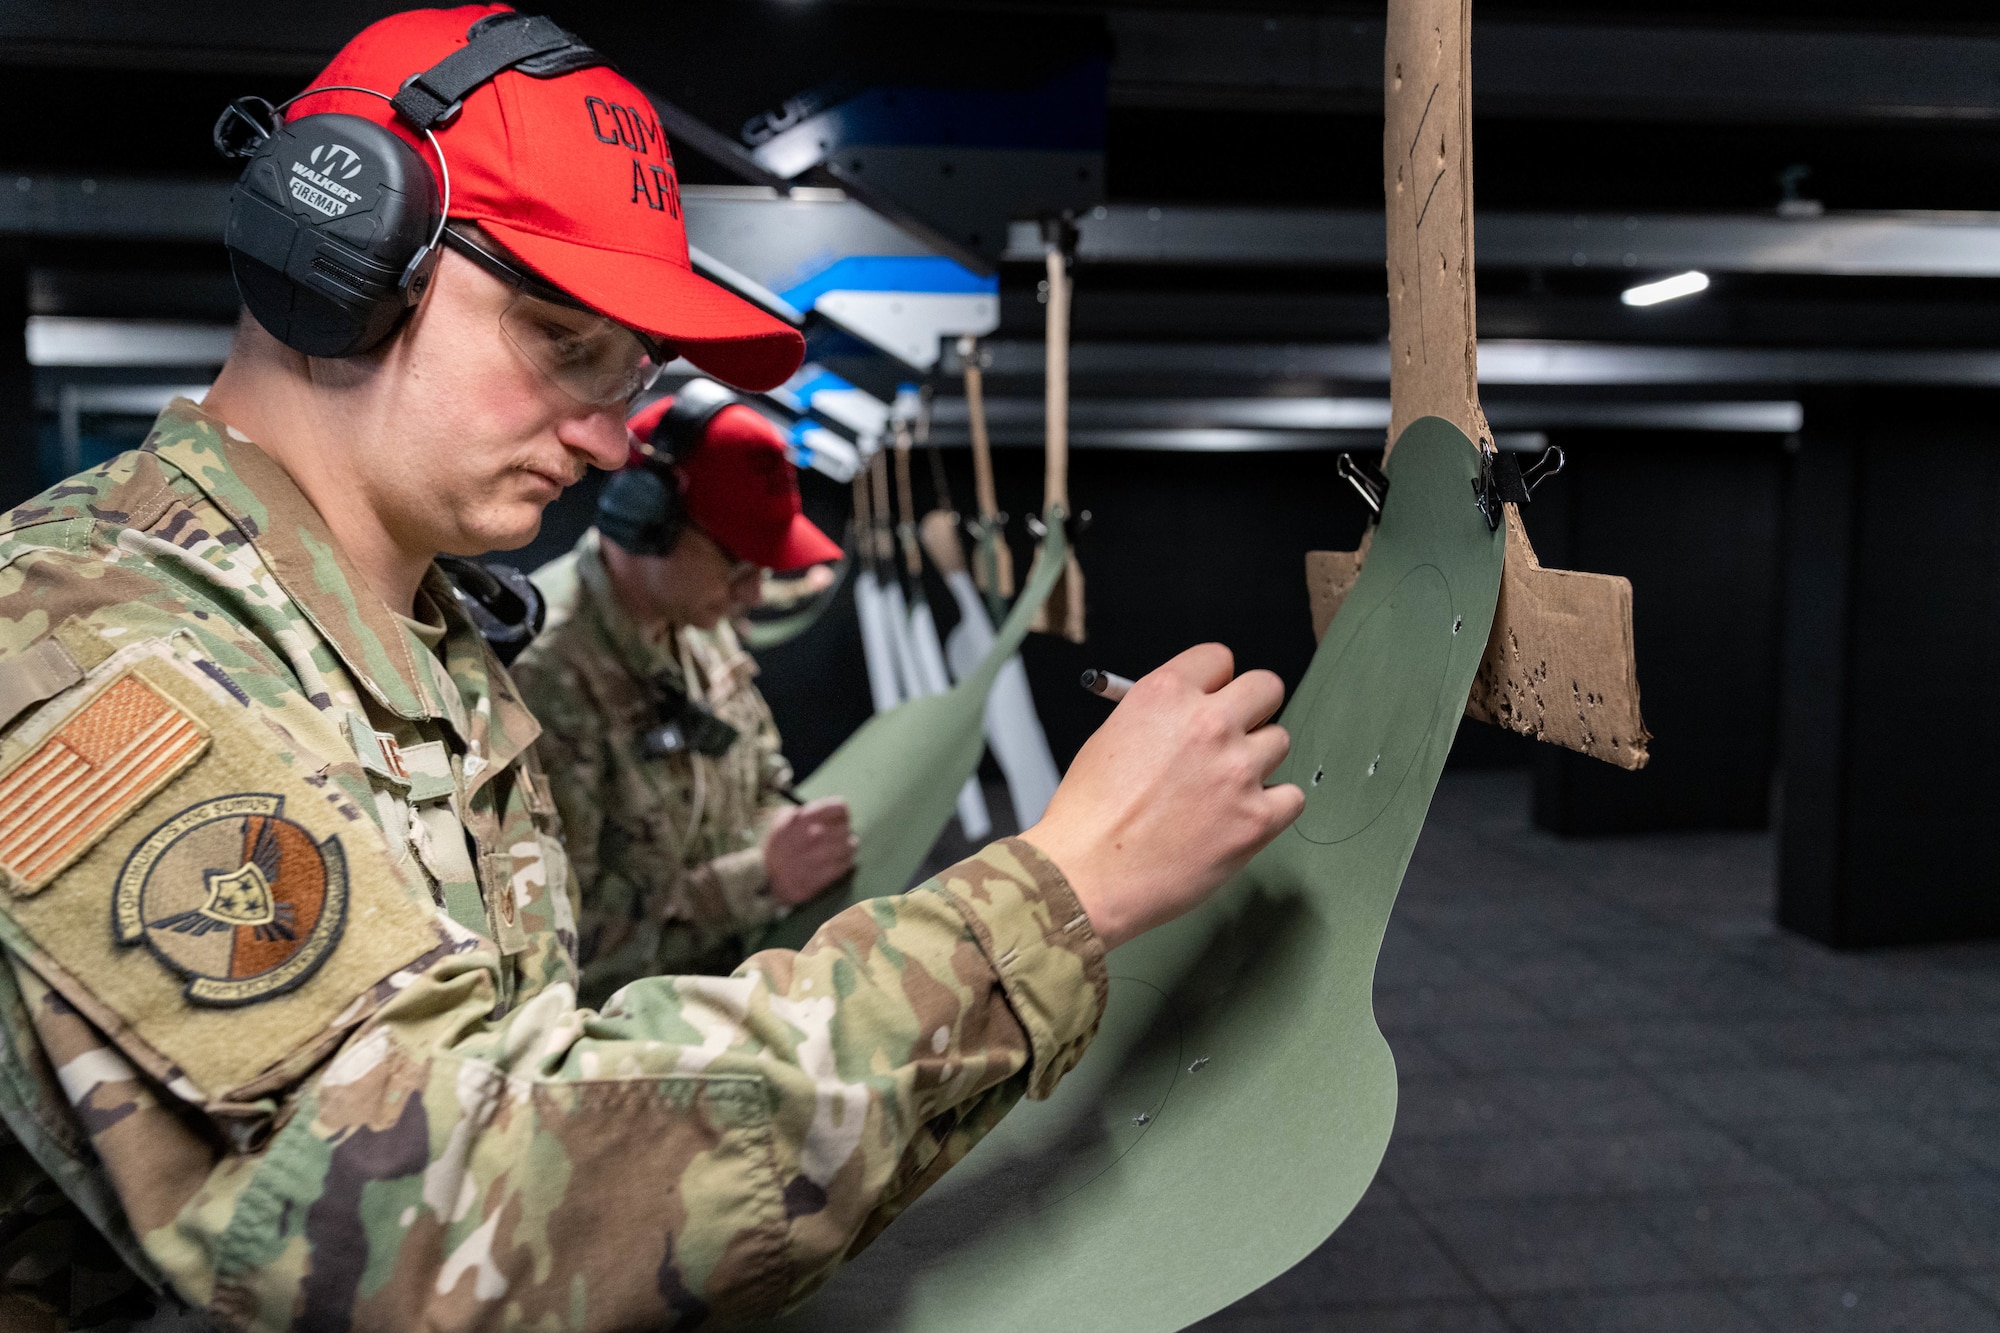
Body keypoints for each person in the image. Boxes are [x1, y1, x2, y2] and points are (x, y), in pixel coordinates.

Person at [0, 6, 1303, 1330]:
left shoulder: (424, 640)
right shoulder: (92, 648)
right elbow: (426, 1220)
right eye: (562, 342)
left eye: (630, 372)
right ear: (338, 248)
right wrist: (1057, 892)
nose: (613, 437)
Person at [512, 386, 855, 1004]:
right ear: (647, 520)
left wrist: (790, 831)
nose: (752, 595)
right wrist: (761, 879)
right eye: (738, 564)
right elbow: (561, 948)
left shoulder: (698, 621)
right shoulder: (543, 679)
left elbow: (759, 776)